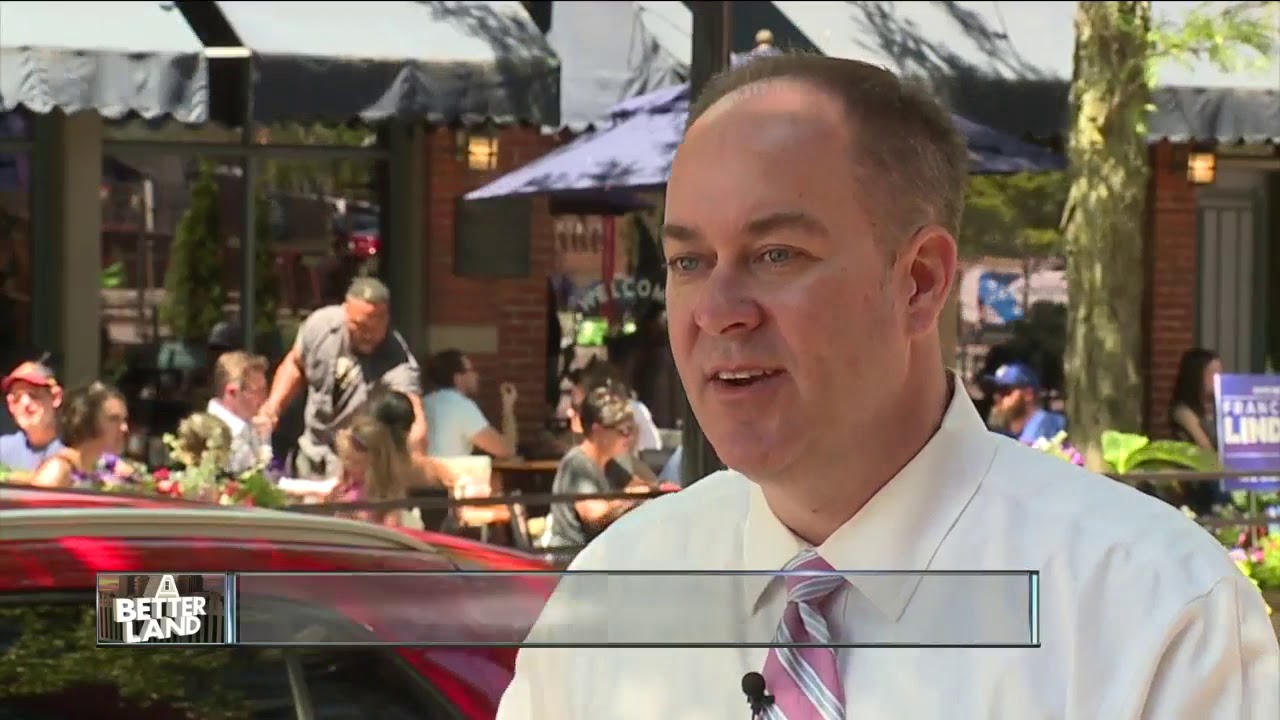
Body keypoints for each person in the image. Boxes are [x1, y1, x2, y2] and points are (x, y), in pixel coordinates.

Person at [497, 55, 1278, 719]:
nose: (719, 312)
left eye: (776, 255)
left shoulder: (1151, 613)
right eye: (688, 262)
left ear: (920, 281)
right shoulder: (613, 598)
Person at [256, 277, 425, 479]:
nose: (367, 334)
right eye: (360, 326)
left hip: (355, 461)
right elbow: (295, 364)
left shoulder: (396, 358)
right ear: (345, 311)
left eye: (375, 327)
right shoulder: (320, 325)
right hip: (311, 449)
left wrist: (414, 461)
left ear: (387, 318)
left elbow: (413, 413)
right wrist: (274, 405)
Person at [544, 385, 652, 549]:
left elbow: (642, 486)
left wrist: (654, 491)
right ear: (598, 431)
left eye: (632, 430)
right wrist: (631, 498)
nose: (629, 438)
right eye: (623, 431)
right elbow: (594, 515)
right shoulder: (578, 464)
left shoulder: (610, 463)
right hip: (573, 557)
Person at [30, 382, 130, 489]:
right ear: (87, 421)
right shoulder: (59, 470)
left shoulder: (97, 471)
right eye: (113, 419)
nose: (124, 428)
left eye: (124, 420)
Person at [423, 349, 519, 459]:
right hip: (450, 470)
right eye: (471, 370)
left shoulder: (423, 403)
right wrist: (508, 408)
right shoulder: (461, 406)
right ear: (458, 378)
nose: (476, 375)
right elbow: (507, 450)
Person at [329, 414, 416, 528]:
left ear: (376, 466)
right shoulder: (345, 488)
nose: (348, 466)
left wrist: (357, 519)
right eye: (346, 459)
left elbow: (390, 532)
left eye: (357, 462)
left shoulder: (388, 500)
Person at [1167, 347, 1225, 514]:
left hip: (1224, 468)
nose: (1219, 378)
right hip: (1200, 474)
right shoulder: (1184, 411)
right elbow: (1205, 448)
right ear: (1197, 376)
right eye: (1213, 373)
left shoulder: (1221, 407)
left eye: (1221, 372)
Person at [205, 351, 272, 474]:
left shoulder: (251, 425)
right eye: (257, 391)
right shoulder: (214, 433)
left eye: (264, 390)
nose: (263, 398)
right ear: (232, 392)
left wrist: (265, 439)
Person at [0, 361, 65, 477]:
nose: (25, 403)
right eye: (17, 398)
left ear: (56, 397)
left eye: (33, 395)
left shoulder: (79, 450)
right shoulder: (3, 450)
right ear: (11, 405)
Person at [984, 362, 1068, 443]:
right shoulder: (1009, 435)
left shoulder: (1050, 428)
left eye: (1004, 391)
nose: (996, 397)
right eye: (995, 391)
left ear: (1028, 394)